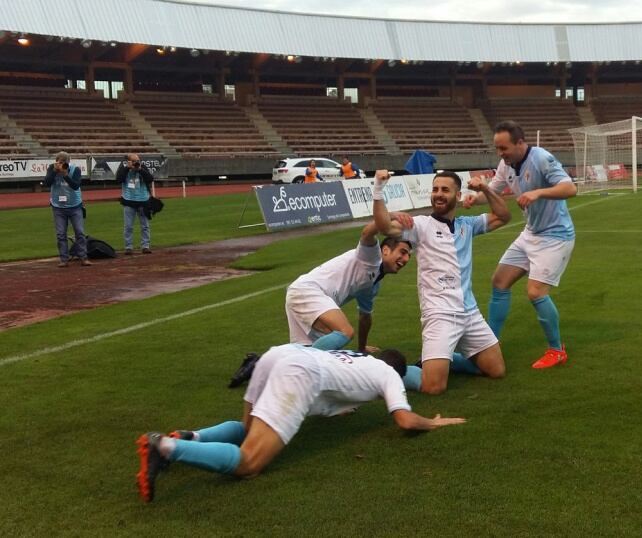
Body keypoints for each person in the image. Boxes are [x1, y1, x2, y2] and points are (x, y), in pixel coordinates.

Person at [135, 344, 465, 502]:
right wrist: (432, 423)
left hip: (281, 354)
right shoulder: (388, 375)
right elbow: (405, 420)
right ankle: (166, 446)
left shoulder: (358, 359)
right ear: (398, 371)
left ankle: (190, 436)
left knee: (248, 430)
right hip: (301, 374)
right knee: (250, 462)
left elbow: (341, 390)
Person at [372, 170, 511, 395]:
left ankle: (447, 360)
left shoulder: (468, 224)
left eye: (445, 190)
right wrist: (378, 188)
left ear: (457, 196)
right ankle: (381, 372)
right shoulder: (420, 225)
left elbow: (503, 216)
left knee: (496, 370)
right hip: (440, 314)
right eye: (435, 189)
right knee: (434, 386)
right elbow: (384, 227)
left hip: (469, 312)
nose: (438, 194)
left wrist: (485, 188)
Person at [463, 120, 577, 369]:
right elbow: (493, 192)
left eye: (503, 148)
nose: (500, 154)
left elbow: (570, 188)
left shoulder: (542, 158)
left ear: (520, 143)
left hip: (555, 236)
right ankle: (489, 342)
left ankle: (557, 350)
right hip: (531, 234)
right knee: (499, 282)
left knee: (535, 292)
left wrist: (538, 192)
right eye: (497, 149)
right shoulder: (506, 164)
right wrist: (475, 198)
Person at [285, 220, 411, 352]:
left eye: (408, 255)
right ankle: (305, 365)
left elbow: (365, 317)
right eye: (402, 252)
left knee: (311, 347)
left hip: (301, 293)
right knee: (344, 332)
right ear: (385, 250)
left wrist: (362, 348)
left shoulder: (372, 285)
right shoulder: (371, 256)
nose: (406, 259)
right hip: (308, 291)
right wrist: (388, 218)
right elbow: (367, 232)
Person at [42, 151, 91, 267]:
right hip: (58, 206)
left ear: (68, 163)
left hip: (75, 205)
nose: (62, 165)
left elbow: (75, 185)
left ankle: (83, 257)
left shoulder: (75, 169)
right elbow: (47, 183)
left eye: (64, 163)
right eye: (59, 162)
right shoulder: (51, 168)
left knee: (79, 232)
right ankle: (64, 259)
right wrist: (54, 171)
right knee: (60, 234)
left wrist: (65, 175)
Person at [117, 153, 155, 254]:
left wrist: (140, 170)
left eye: (137, 161)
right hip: (129, 201)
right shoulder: (123, 168)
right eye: (133, 161)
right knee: (128, 226)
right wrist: (127, 168)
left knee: (145, 225)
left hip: (143, 200)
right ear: (128, 162)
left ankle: (145, 246)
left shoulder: (143, 168)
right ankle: (128, 247)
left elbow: (150, 179)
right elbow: (119, 179)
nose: (136, 163)